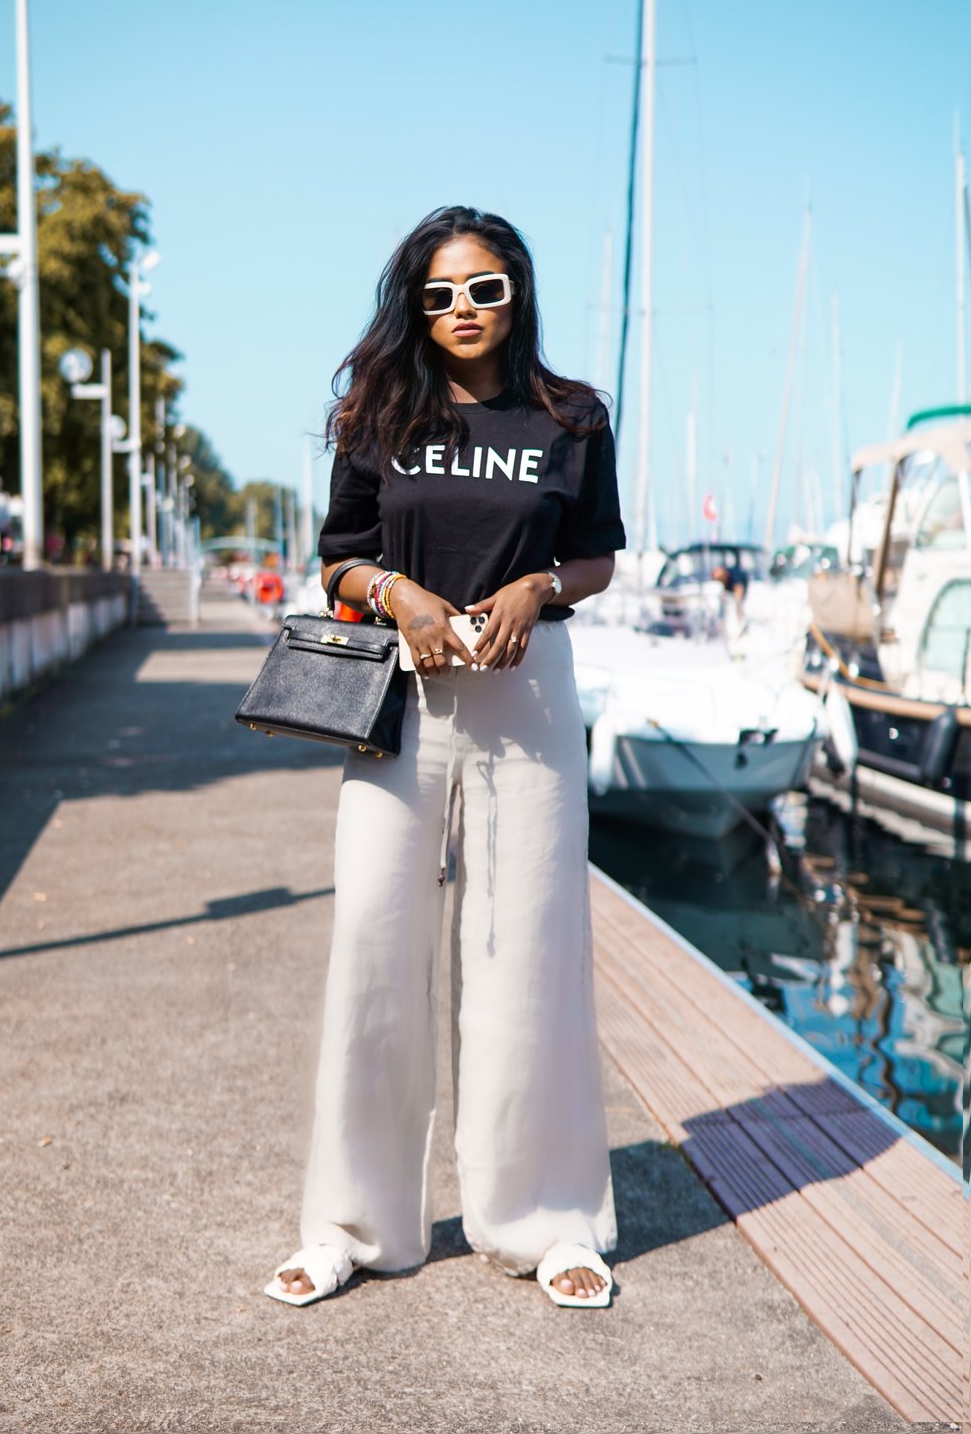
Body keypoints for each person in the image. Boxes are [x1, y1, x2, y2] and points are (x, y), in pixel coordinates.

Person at [265, 206, 627, 1311]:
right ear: (415, 306)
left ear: (516, 290)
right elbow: (338, 561)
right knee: (374, 948)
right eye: (438, 293)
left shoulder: (571, 416)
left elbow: (597, 556)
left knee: (529, 953)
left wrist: (537, 586)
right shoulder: (378, 414)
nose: (461, 309)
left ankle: (547, 1219)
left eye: (481, 288)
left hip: (529, 690)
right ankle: (350, 1225)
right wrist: (400, 595)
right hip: (402, 697)